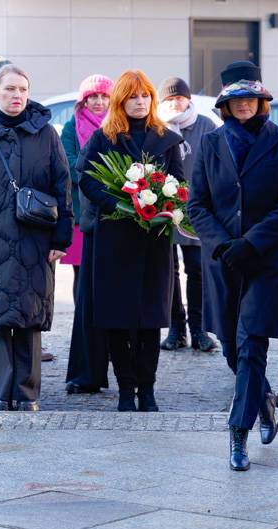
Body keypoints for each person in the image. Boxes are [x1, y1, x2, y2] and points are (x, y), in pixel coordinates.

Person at [188, 61, 278, 471]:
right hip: (223, 262)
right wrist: (223, 244)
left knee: (252, 341)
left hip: (268, 260)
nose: (244, 105)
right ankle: (266, 401)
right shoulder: (209, 144)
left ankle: (238, 433)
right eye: (236, 99)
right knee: (232, 347)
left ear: (261, 100)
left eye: (250, 98)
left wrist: (251, 243)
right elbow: (196, 204)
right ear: (226, 103)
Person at [77, 70, 184, 413]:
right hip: (115, 238)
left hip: (153, 239)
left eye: (145, 96)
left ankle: (148, 389)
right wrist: (120, 205)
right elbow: (87, 180)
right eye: (132, 97)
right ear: (120, 101)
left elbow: (180, 183)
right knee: (118, 317)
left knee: (150, 318)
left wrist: (162, 204)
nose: (140, 102)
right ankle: (126, 389)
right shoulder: (104, 138)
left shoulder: (166, 138)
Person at [0, 64, 73, 411]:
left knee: (28, 315)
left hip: (34, 239)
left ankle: (27, 394)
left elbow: (62, 185)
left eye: (23, 89)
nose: (17, 96)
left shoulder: (45, 133)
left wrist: (61, 238)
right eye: (10, 89)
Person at [157, 77, 221, 353]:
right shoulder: (157, 128)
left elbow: (217, 166)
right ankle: (175, 328)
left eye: (179, 98)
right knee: (168, 271)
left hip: (196, 208)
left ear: (188, 100)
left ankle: (199, 329)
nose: (175, 103)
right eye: (169, 99)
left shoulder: (205, 124)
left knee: (197, 270)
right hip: (162, 208)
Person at [62, 73, 113, 395]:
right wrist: (99, 175)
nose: (97, 102)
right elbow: (69, 164)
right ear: (83, 101)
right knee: (84, 289)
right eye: (92, 97)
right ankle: (88, 361)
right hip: (82, 218)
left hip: (114, 219)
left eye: (103, 96)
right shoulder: (71, 127)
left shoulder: (116, 124)